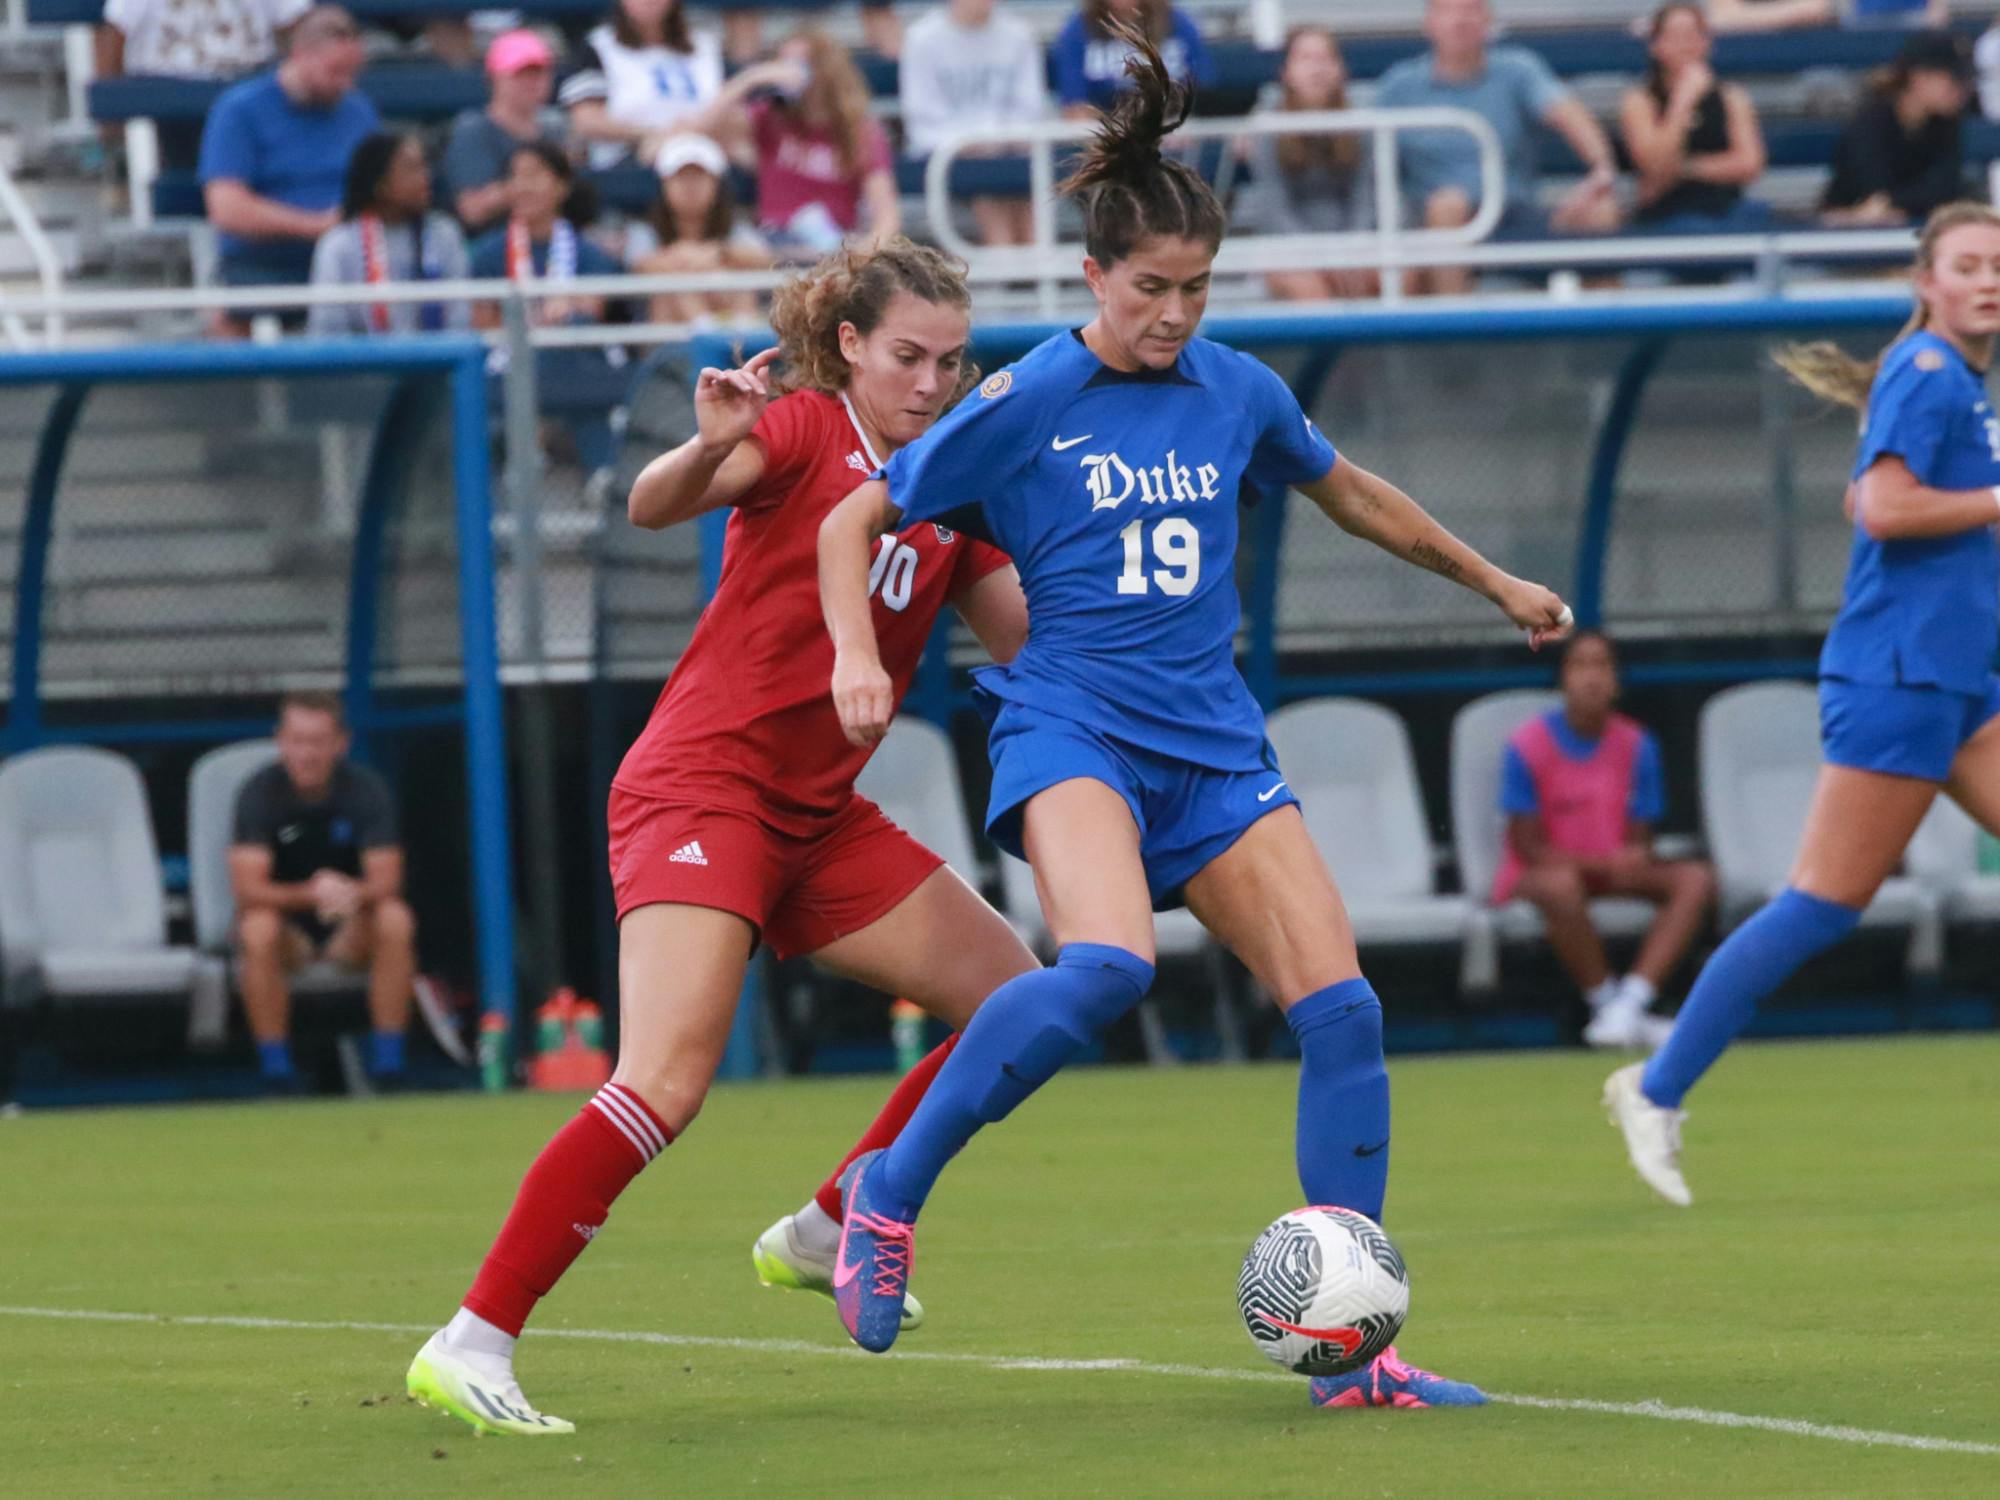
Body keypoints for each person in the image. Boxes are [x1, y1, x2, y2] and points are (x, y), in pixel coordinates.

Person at [817, 27, 1571, 1409]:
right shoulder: (1032, 395)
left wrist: (1495, 579)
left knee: (1343, 1014)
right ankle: (886, 1194)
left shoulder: (1240, 392)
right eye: (1150, 286)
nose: (1173, 312)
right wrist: (857, 651)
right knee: (1106, 971)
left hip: (1215, 747)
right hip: (1074, 731)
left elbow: (1354, 495)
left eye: (1196, 287)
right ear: (1094, 275)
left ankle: (1357, 1355)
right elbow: (864, 506)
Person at [405, 239, 1043, 1436]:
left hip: (818, 817)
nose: (929, 382)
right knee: (663, 1083)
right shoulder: (800, 428)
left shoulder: (956, 483)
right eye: (907, 356)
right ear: (849, 347)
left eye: (950, 362)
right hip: (703, 792)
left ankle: (833, 1221)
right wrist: (707, 438)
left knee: (1022, 1003)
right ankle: (470, 1340)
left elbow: (1028, 643)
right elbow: (652, 506)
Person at [1606, 202, 2000, 1207]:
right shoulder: (1926, 371)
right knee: (1820, 905)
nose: (1985, 280)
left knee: (1819, 903)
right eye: (1966, 265)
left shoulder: (1942, 376)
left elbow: (1865, 498)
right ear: (1927, 281)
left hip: (1953, 677)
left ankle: (1652, 1084)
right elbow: (1880, 506)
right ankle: (1651, 1088)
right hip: (1899, 678)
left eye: (1995, 265)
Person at [1493, 631, 1716, 1050]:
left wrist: (1634, 855)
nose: (1591, 678)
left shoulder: (1638, 744)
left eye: (1602, 666)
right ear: (1562, 679)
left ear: (1617, 681)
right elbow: (1527, 846)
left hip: (1611, 871)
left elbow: (1641, 837)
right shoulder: (1525, 746)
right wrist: (1601, 865)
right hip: (1541, 875)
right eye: (1580, 666)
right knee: (1560, 886)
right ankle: (1607, 1005)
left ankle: (1631, 1003)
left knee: (1695, 880)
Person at [229, 691, 416, 1091]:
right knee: (256, 927)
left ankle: (389, 1066)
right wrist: (312, 894)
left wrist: (350, 894)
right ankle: (276, 1071)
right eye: (297, 741)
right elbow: (247, 890)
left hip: (350, 930)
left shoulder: (366, 790)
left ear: (340, 743)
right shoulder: (257, 794)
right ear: (280, 741)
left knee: (395, 917)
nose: (307, 754)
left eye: (316, 741)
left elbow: (387, 881)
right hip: (289, 936)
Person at [1376, 0, 1620, 296]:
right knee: (1448, 205)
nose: (1460, 20)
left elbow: (1569, 115)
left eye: (1471, 10)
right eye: (1448, 10)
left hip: (1513, 214)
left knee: (1601, 213)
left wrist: (1601, 171)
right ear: (1429, 23)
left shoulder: (1518, 69)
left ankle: (1613, 338)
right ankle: (1453, 333)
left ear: (1488, 21)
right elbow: (1368, 160)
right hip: (1433, 225)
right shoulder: (1398, 87)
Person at [197, 6, 379, 331]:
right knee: (232, 317)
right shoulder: (239, 109)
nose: (345, 85)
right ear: (301, 55)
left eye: (352, 74)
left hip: (350, 255)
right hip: (264, 259)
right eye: (335, 72)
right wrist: (317, 226)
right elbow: (227, 208)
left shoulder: (358, 111)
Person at [469, 142, 627, 473]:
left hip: (577, 365)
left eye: (535, 175)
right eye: (515, 177)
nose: (523, 186)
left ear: (562, 186)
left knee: (574, 334)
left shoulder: (589, 253)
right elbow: (483, 325)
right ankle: (594, 472)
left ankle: (589, 474)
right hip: (509, 368)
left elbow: (594, 310)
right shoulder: (487, 253)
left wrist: (562, 313)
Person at [1239, 25, 1376, 301]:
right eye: (1306, 59)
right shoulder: (1267, 128)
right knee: (1308, 285)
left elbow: (1366, 199)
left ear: (1341, 69)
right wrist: (1318, 257)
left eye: (1325, 59)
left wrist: (1349, 253)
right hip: (1286, 247)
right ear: (1286, 72)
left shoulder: (1363, 127)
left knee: (1392, 276)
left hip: (1350, 243)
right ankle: (1333, 344)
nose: (1317, 68)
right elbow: (1274, 209)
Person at [899, 0, 1049, 247]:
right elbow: (921, 123)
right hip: (950, 156)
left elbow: (1030, 110)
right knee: (990, 190)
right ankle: (1004, 272)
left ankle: (1040, 276)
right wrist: (970, 144)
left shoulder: (1019, 35)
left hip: (1008, 151)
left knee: (1024, 189)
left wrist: (997, 140)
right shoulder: (922, 39)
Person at [1620, 3, 1769, 233]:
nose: (1686, 46)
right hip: (1666, 212)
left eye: (1693, 36)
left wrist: (1684, 168)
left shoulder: (1731, 96)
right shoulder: (1640, 101)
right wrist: (1683, 102)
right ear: (1656, 46)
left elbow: (1749, 163)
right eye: (1675, 37)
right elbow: (1653, 164)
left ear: (1706, 43)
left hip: (1725, 207)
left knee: (1757, 217)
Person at [751, 29, 900, 255]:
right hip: (773, 246)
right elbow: (701, 125)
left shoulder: (861, 132)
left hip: (833, 247)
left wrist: (860, 257)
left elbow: (886, 216)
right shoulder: (768, 118)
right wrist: (754, 77)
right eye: (783, 63)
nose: (788, 71)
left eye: (800, 63)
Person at [308, 131, 471, 336]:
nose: (425, 177)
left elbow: (460, 319)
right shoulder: (339, 245)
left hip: (441, 362)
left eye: (424, 166)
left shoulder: (444, 234)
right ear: (380, 183)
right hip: (361, 363)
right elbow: (328, 329)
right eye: (411, 169)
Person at [1822, 31, 1972, 228]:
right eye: (1954, 80)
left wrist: (1893, 201)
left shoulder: (1946, 123)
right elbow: (1871, 188)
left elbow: (1946, 186)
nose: (1963, 89)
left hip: (1921, 228)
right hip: (1854, 235)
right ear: (1919, 77)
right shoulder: (1871, 120)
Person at [558, 0, 731, 169]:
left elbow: (733, 113)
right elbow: (587, 120)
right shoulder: (598, 46)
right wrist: (654, 134)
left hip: (703, 158)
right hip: (627, 161)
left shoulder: (705, 46)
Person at [632, 133, 772, 323]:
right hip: (670, 340)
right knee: (675, 286)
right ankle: (708, 336)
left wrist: (720, 254)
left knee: (739, 283)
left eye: (699, 177)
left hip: (726, 314)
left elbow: (765, 259)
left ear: (716, 185)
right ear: (665, 185)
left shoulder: (736, 229)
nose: (690, 186)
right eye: (681, 177)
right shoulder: (645, 231)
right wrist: (692, 259)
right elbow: (641, 265)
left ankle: (733, 342)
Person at [439, 29, 565, 239]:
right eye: (520, 73)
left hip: (552, 242)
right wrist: (532, 187)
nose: (531, 82)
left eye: (539, 72)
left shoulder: (557, 129)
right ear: (494, 77)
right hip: (492, 245)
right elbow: (472, 209)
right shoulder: (473, 130)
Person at [1051, 0, 1212, 120]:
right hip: (1104, 141)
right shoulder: (1078, 30)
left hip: (1175, 135)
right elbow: (1074, 107)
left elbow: (1202, 94)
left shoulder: (1179, 25)